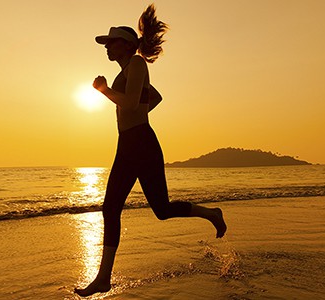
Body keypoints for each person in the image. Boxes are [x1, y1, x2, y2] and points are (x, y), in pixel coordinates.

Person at [75, 4, 226, 297]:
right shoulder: (129, 71)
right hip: (130, 142)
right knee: (133, 208)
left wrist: (105, 91)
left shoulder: (137, 64)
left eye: (111, 42)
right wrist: (135, 106)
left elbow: (131, 104)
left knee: (153, 208)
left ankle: (211, 214)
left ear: (127, 45)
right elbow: (153, 97)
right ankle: (104, 278)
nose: (107, 47)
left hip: (141, 141)